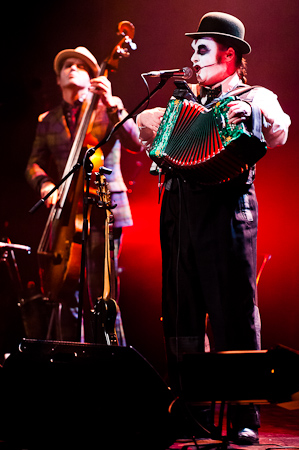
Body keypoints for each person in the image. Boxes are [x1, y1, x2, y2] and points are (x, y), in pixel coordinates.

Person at [137, 12, 290, 445]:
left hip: (228, 212)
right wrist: (150, 126)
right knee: (181, 311)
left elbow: (278, 128)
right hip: (180, 211)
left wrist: (253, 111)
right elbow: (147, 129)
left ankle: (244, 414)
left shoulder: (255, 94)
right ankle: (191, 408)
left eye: (201, 48)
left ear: (229, 54)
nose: (192, 56)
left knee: (233, 314)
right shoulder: (187, 101)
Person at [25, 46, 143, 344]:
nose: (72, 68)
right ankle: (69, 363)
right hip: (66, 213)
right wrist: (44, 185)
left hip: (105, 209)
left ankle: (114, 361)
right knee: (65, 292)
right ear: (57, 79)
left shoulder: (107, 108)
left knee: (102, 292)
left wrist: (113, 103)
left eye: (80, 65)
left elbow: (136, 142)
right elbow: (34, 163)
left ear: (93, 76)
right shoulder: (48, 120)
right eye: (67, 65)